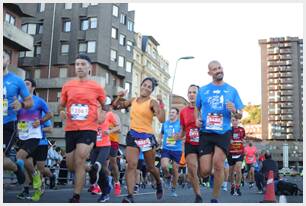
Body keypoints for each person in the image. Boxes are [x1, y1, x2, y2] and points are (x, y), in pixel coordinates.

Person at [58, 54, 106, 203]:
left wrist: (102, 115)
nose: (79, 67)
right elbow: (61, 104)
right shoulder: (68, 85)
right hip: (71, 128)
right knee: (71, 165)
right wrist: (61, 111)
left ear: (89, 68)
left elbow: (105, 105)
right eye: (77, 64)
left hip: (88, 128)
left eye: (82, 64)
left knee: (80, 159)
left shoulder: (97, 87)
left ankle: (76, 196)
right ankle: (91, 169)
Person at [195, 60, 244, 203]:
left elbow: (240, 114)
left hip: (223, 132)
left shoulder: (232, 90)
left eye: (219, 67)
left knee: (218, 163)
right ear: (210, 73)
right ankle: (208, 175)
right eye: (215, 69)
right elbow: (196, 108)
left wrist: (235, 110)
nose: (218, 70)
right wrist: (197, 119)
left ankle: (215, 198)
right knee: (204, 171)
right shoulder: (203, 90)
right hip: (206, 132)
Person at [112, 77, 165, 203]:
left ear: (151, 90)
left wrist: (161, 103)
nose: (146, 88)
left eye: (149, 87)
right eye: (144, 85)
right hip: (133, 135)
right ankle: (130, 196)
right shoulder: (133, 100)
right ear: (140, 85)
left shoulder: (152, 103)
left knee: (151, 167)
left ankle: (158, 182)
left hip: (146, 137)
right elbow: (115, 106)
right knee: (131, 165)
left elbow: (162, 119)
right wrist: (119, 97)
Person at [16, 78, 53, 201]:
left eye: (27, 84)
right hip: (24, 137)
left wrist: (39, 124)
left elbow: (50, 128)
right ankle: (30, 187)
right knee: (27, 164)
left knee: (40, 169)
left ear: (33, 87)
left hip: (40, 142)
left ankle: (40, 185)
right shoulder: (18, 102)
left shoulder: (40, 104)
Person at [3, 50, 33, 185]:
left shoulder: (16, 80)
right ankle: (16, 167)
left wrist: (21, 104)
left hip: (7, 123)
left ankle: (15, 167)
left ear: (8, 61)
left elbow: (29, 102)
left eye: (2, 57)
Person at [87, 96, 117, 202]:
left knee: (97, 167)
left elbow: (119, 126)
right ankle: (105, 190)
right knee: (96, 170)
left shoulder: (109, 114)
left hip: (105, 145)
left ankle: (104, 190)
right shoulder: (93, 114)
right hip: (94, 146)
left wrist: (110, 131)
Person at [179, 84, 203, 203]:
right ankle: (198, 195)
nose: (191, 94)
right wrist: (177, 137)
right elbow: (183, 129)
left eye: (194, 92)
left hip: (204, 142)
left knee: (204, 171)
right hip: (190, 143)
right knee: (192, 169)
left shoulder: (204, 109)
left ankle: (203, 177)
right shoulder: (183, 111)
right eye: (189, 92)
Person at [159, 107, 182, 197]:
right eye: (170, 112)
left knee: (175, 170)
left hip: (177, 149)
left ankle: (173, 188)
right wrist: (159, 139)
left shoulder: (180, 124)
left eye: (173, 112)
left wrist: (177, 137)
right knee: (164, 166)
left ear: (177, 114)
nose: (171, 114)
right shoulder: (165, 123)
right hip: (166, 148)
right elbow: (161, 133)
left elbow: (183, 135)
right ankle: (168, 176)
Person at [228, 117, 245, 196]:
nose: (235, 122)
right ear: (231, 121)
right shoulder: (229, 130)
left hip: (239, 152)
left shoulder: (242, 129)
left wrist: (243, 141)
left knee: (238, 169)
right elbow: (225, 140)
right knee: (231, 172)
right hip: (231, 153)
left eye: (236, 120)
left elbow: (244, 139)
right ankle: (232, 185)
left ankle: (238, 187)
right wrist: (229, 141)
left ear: (238, 121)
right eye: (233, 120)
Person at [107, 102, 122, 196]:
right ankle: (107, 182)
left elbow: (120, 130)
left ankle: (117, 182)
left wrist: (109, 129)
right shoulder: (101, 115)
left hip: (113, 141)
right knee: (103, 163)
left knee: (113, 163)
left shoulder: (115, 116)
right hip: (103, 141)